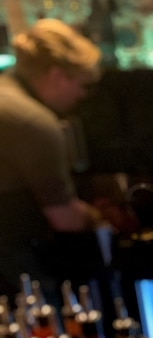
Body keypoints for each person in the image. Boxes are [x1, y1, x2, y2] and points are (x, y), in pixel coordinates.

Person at [0, 19, 137, 301]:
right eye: (81, 84)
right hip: (11, 258)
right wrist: (102, 217)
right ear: (57, 75)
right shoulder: (35, 123)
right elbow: (64, 219)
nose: (81, 95)